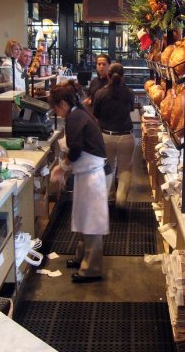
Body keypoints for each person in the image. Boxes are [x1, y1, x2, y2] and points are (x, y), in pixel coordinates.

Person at [49, 81, 109, 283]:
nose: (56, 113)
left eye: (56, 108)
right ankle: (82, 257)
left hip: (92, 176)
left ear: (63, 104)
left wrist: (62, 168)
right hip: (87, 174)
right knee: (84, 218)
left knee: (91, 223)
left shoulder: (75, 117)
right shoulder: (77, 114)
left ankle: (91, 269)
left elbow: (75, 150)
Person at [93, 63, 136, 215]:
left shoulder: (100, 94)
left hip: (106, 136)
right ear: (123, 76)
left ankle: (109, 197)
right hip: (126, 136)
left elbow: (96, 116)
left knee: (108, 168)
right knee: (125, 168)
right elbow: (130, 109)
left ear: (108, 76)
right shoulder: (129, 93)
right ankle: (121, 199)